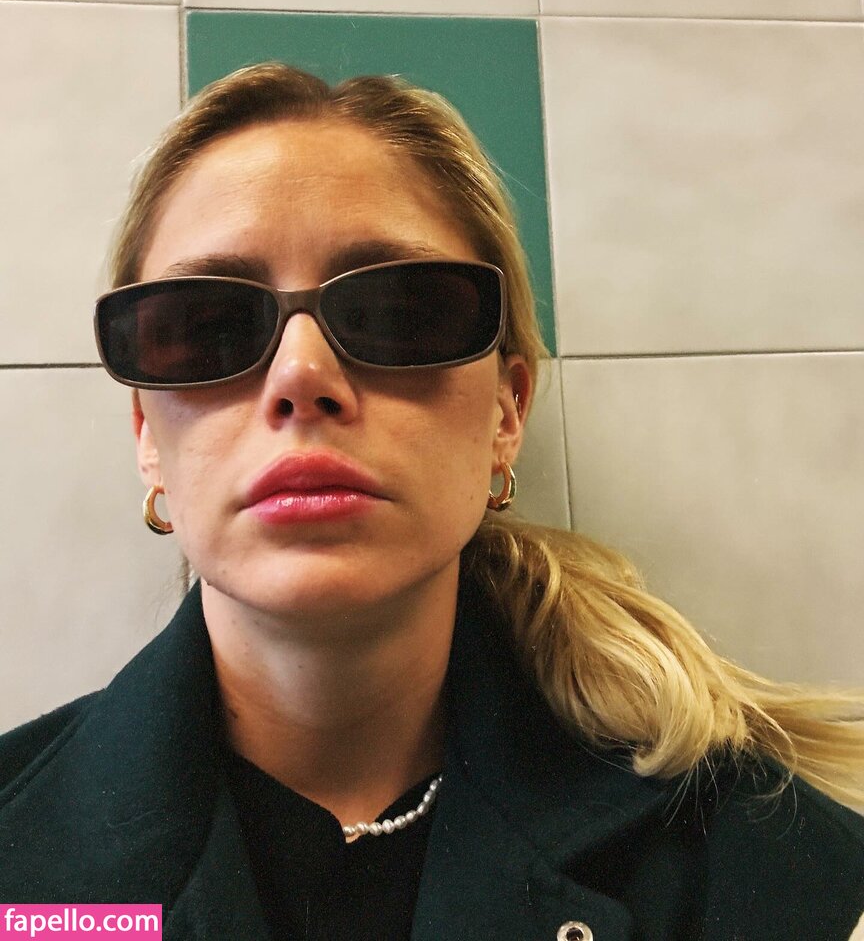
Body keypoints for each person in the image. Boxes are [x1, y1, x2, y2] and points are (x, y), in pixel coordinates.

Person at [1, 63, 862, 941]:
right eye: (209, 327)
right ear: (147, 436)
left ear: (505, 414)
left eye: (397, 312)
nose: (302, 376)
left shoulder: (774, 873)